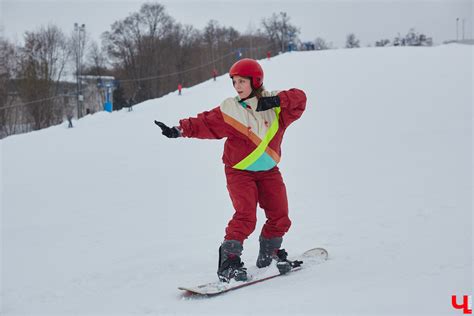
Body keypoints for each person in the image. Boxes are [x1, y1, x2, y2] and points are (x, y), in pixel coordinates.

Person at [155, 58, 306, 283]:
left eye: (242, 81)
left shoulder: (275, 107)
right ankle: (229, 262)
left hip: (269, 171)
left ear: (256, 81)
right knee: (246, 216)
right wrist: (179, 130)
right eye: (234, 82)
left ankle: (270, 254)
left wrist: (274, 101)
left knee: (280, 213)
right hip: (239, 171)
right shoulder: (231, 109)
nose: (237, 86)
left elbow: (300, 99)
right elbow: (205, 123)